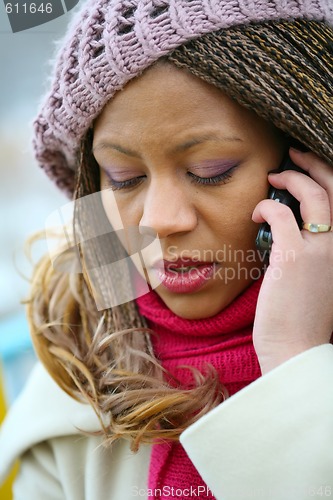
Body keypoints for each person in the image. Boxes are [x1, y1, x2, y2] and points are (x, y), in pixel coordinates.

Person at [0, 0, 333, 498]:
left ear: (310, 170)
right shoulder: (66, 397)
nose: (160, 220)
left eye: (210, 169)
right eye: (124, 178)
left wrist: (293, 365)